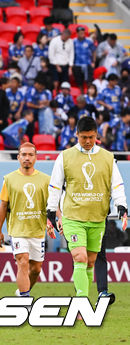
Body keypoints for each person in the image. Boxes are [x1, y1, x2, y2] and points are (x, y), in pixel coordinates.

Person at [47, 116, 127, 301]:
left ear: (96, 134)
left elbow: (117, 185)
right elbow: (55, 185)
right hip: (73, 218)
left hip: (98, 219)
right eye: (84, 137)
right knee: (80, 257)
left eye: (91, 137)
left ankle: (85, 296)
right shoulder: (65, 157)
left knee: (90, 261)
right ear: (77, 135)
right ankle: (81, 302)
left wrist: (121, 206)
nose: (88, 141)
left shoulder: (108, 157)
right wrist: (51, 210)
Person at [0, 142, 53, 297]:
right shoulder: (9, 179)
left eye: (30, 155)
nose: (27, 158)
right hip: (17, 230)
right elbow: (3, 205)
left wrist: (50, 222)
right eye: (24, 155)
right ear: (18, 157)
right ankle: (24, 300)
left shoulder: (45, 180)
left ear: (36, 158)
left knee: (36, 269)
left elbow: (51, 205)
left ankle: (22, 292)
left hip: (37, 230)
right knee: (22, 261)